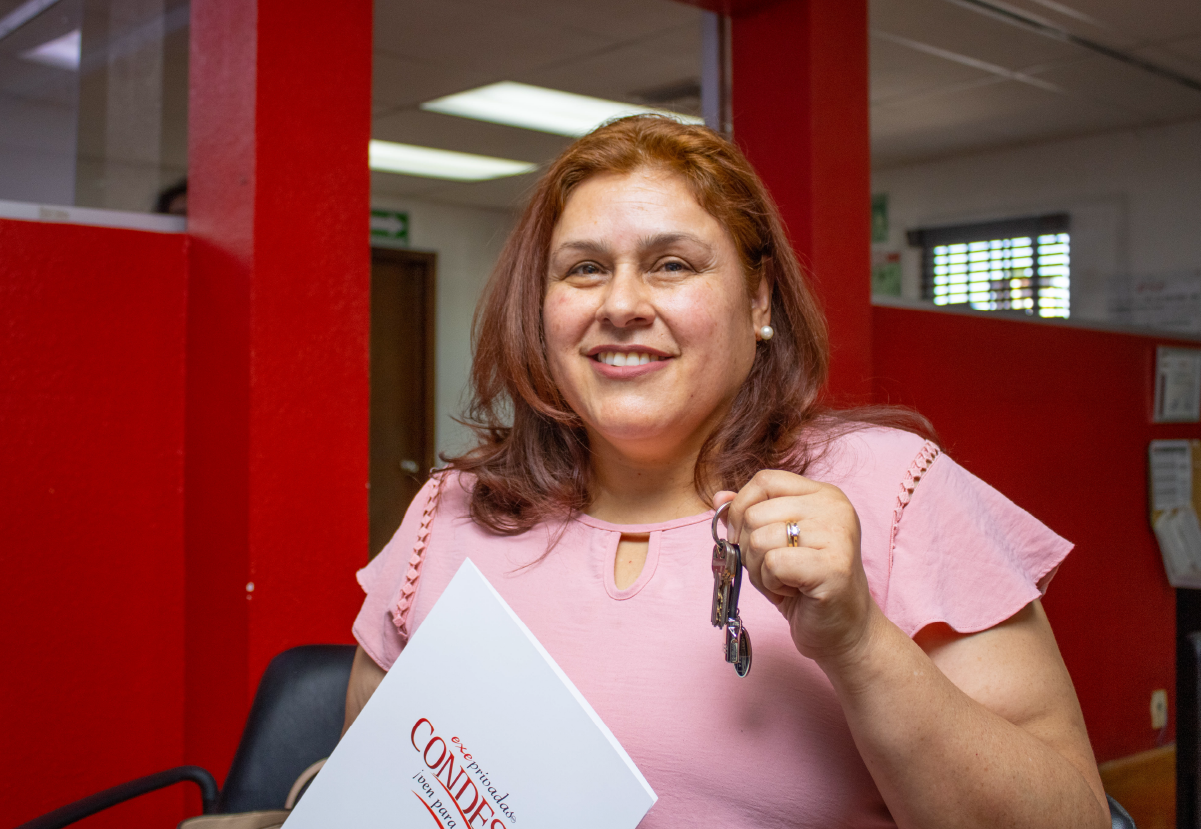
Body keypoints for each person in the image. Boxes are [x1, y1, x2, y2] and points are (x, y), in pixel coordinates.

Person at [345, 115, 1110, 828]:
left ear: (759, 301)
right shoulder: (452, 512)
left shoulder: (891, 487)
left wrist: (857, 639)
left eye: (670, 263)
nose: (621, 303)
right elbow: (368, 790)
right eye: (582, 269)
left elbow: (1070, 815)